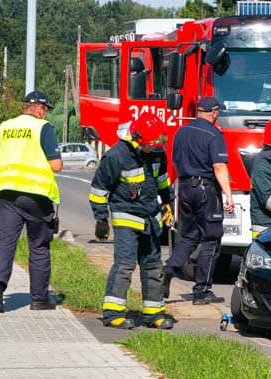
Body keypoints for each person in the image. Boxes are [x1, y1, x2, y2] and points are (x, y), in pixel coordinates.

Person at [89, 113, 174, 329]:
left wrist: (167, 202)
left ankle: (153, 315)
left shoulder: (156, 153)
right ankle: (113, 314)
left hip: (150, 217)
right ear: (137, 138)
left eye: (158, 143)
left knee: (154, 266)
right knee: (125, 265)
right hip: (126, 217)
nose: (155, 147)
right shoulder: (117, 155)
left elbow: (162, 180)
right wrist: (101, 219)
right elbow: (98, 190)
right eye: (151, 144)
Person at [163, 96, 234, 305]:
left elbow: (174, 161)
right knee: (211, 239)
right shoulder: (214, 135)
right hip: (206, 190)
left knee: (190, 236)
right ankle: (201, 291)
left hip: (184, 188)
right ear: (214, 112)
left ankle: (168, 269)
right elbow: (219, 167)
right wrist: (228, 195)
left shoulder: (181, 132)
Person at [0, 91, 63, 313]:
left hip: (6, 193)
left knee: (5, 244)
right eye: (45, 110)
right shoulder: (42, 128)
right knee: (38, 245)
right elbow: (55, 165)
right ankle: (38, 299)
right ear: (37, 108)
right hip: (35, 196)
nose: (45, 114)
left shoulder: (5, 127)